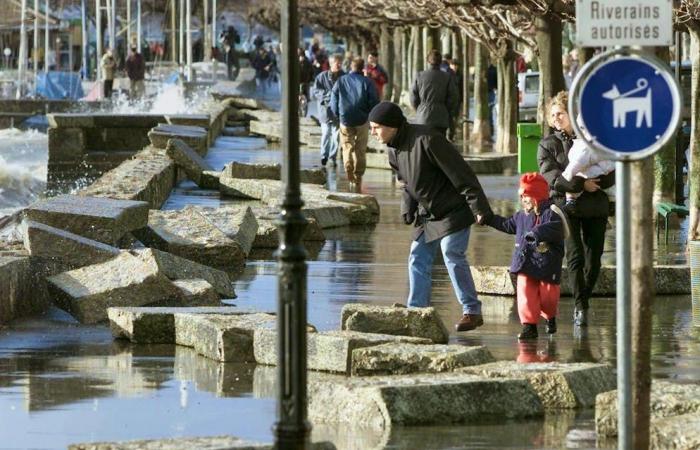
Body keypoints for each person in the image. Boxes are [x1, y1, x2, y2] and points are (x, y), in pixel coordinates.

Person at [368, 101, 493, 332]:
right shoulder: (393, 149)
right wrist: (407, 208)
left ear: (392, 125)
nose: (372, 132)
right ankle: (417, 312)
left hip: (453, 209)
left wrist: (479, 208)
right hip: (428, 213)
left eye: (376, 127)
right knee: (417, 257)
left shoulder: (428, 139)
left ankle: (472, 311)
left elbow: (462, 173)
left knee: (451, 252)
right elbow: (406, 184)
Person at [537, 91, 615, 327]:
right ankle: (580, 308)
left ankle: (585, 298)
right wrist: (583, 183)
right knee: (575, 256)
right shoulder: (547, 144)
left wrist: (596, 184)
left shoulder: (596, 139)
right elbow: (552, 178)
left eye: (560, 113)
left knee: (594, 261)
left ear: (573, 114)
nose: (556, 118)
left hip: (595, 206)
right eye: (552, 115)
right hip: (565, 207)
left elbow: (612, 172)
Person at [482, 173, 566, 340]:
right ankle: (529, 326)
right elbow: (507, 225)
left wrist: (536, 232)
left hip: (547, 263)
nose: (523, 199)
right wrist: (489, 218)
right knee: (525, 293)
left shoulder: (551, 213)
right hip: (525, 262)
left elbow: (556, 228)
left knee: (549, 297)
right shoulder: (521, 216)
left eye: (527, 195)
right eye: (522, 196)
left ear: (537, 196)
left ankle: (550, 316)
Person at [330, 57, 379, 190]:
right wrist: (371, 114)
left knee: (347, 146)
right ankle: (358, 175)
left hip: (345, 118)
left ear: (351, 67)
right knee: (360, 149)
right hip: (362, 119)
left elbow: (333, 97)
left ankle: (348, 168)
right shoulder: (368, 82)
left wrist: (337, 113)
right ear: (363, 68)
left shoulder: (341, 80)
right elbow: (374, 100)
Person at [561, 135, 615, 216]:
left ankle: (612, 202)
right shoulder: (582, 147)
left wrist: (567, 175)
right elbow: (577, 164)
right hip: (584, 176)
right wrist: (567, 175)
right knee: (573, 189)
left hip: (599, 176)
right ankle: (570, 201)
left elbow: (577, 164)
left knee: (612, 189)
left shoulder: (595, 146)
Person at [410, 49, 460, 137]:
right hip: (441, 118)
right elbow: (453, 97)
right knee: (439, 146)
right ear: (441, 61)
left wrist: (420, 109)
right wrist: (445, 110)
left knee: (423, 145)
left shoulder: (419, 76)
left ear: (428, 61)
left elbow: (413, 97)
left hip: (423, 118)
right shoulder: (447, 77)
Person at [311, 53, 345, 167]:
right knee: (326, 133)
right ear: (331, 64)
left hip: (339, 111)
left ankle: (332, 157)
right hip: (325, 111)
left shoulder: (344, 77)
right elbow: (316, 91)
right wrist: (328, 95)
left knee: (336, 136)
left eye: (340, 62)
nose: (339, 64)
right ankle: (323, 156)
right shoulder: (321, 77)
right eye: (337, 62)